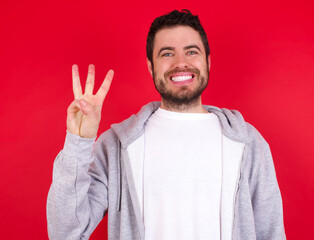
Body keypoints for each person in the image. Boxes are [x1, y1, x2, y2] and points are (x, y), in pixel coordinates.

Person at [47, 9, 286, 240]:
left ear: (208, 61)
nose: (180, 63)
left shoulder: (247, 143)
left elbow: (271, 233)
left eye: (191, 52)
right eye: (167, 54)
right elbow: (66, 233)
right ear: (151, 66)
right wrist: (78, 141)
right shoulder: (116, 147)